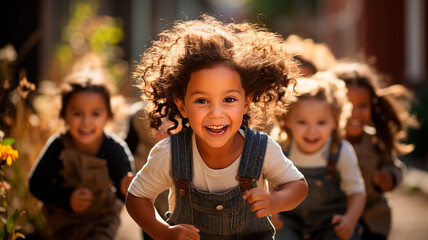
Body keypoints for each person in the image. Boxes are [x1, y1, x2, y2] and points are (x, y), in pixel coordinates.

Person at [125, 14, 308, 240]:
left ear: (246, 102)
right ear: (182, 106)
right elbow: (136, 197)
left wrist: (276, 200)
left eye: (229, 100)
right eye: (202, 101)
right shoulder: (171, 154)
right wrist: (163, 232)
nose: (216, 113)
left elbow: (298, 185)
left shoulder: (262, 150)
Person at [28, 72, 135, 240]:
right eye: (77, 113)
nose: (86, 122)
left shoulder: (114, 149)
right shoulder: (59, 146)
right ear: (64, 115)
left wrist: (125, 185)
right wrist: (67, 198)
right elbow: (36, 184)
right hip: (64, 219)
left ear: (108, 116)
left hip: (102, 218)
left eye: (95, 114)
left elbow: (123, 176)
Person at [273, 72, 366, 240]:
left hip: (330, 225)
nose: (312, 131)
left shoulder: (340, 151)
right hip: (290, 223)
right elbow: (269, 185)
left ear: (335, 121)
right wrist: (272, 212)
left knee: (346, 235)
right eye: (302, 122)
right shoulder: (280, 149)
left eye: (321, 123)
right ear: (287, 120)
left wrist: (350, 220)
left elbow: (357, 192)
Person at [331, 61, 417, 239]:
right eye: (348, 104)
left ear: (373, 106)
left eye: (363, 105)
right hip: (336, 218)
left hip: (373, 220)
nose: (355, 112)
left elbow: (395, 166)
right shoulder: (328, 143)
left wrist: (389, 177)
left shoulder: (376, 141)